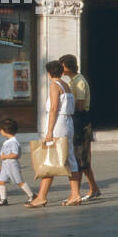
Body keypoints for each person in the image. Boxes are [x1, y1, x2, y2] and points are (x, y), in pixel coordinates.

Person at [27, 60, 81, 207]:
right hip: (68, 122)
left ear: (49, 72)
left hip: (59, 123)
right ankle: (75, 194)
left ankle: (42, 197)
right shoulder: (66, 86)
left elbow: (53, 109)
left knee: (51, 157)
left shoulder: (54, 85)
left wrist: (49, 132)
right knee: (69, 158)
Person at [60, 54, 102, 201]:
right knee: (82, 159)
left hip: (81, 122)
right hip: (77, 121)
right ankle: (94, 188)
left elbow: (81, 105)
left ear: (67, 67)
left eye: (62, 66)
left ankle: (75, 193)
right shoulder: (73, 81)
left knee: (79, 158)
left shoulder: (79, 82)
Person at [0, 118, 35, 205]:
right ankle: (3, 199)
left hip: (12, 165)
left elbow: (16, 154)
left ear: (6, 130)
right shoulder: (7, 142)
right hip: (6, 165)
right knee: (1, 181)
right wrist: (3, 163)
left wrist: (4, 157)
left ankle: (32, 195)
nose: (0, 131)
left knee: (19, 181)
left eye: (1, 129)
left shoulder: (13, 142)